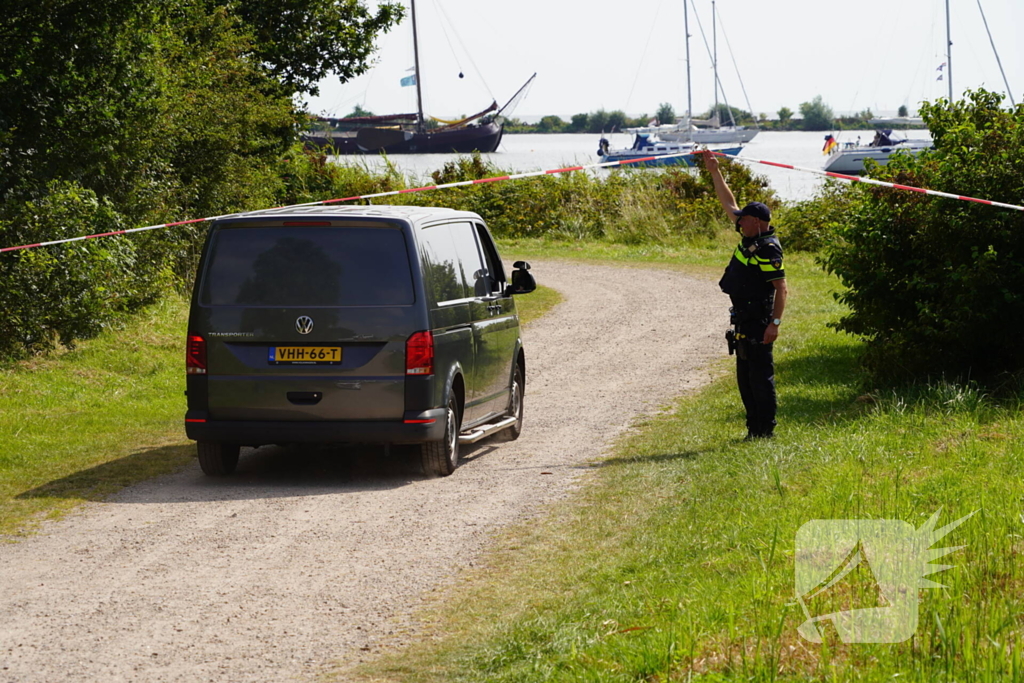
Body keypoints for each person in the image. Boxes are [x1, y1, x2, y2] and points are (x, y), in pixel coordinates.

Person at [703, 152, 788, 439]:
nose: (738, 223)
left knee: (760, 378)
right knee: (745, 378)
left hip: (760, 319)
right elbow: (729, 203)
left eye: (744, 220)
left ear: (757, 221)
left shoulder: (768, 249)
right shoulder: (750, 236)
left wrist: (774, 324)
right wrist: (715, 172)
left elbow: (781, 288)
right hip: (743, 318)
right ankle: (753, 430)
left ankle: (766, 430)